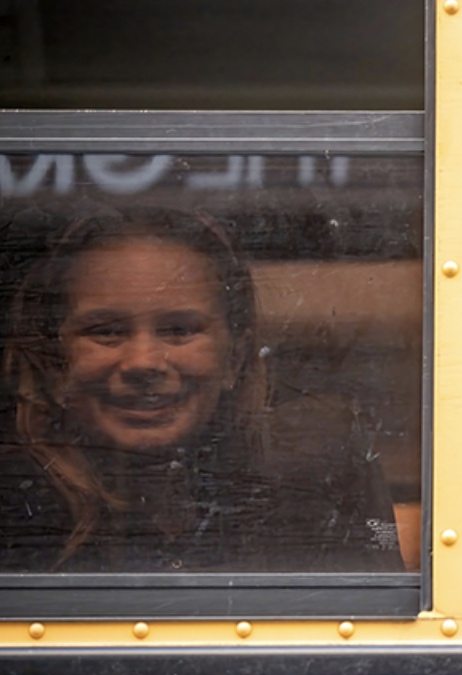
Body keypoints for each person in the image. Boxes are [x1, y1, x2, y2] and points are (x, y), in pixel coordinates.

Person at [0, 206, 403, 572]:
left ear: (234, 359)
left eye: (179, 330)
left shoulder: (310, 490)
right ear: (55, 363)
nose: (144, 361)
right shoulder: (18, 511)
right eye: (106, 331)